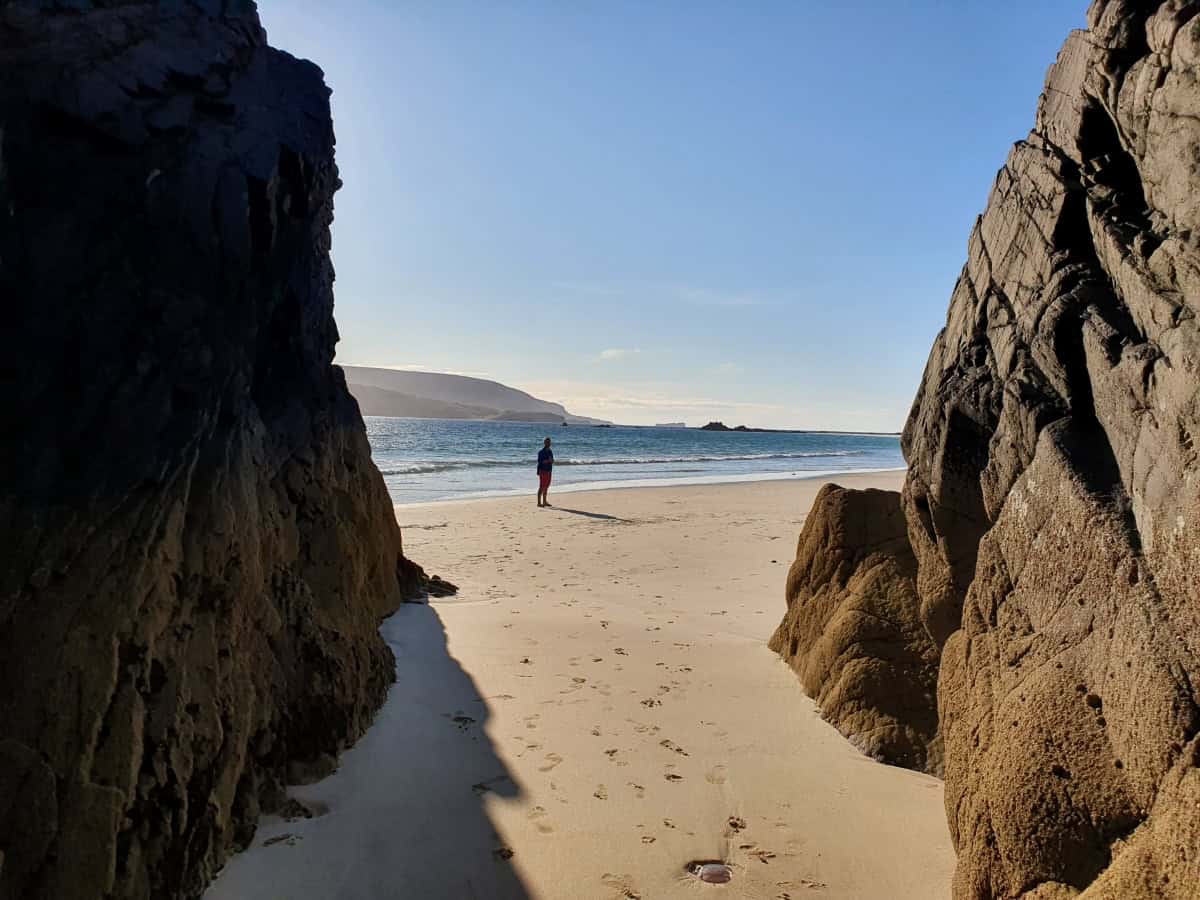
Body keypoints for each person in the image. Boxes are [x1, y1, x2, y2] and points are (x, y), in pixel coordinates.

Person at [536, 437, 554, 507]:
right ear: (544, 443)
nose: (548, 443)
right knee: (541, 486)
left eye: (549, 442)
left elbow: (552, 461)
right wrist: (548, 461)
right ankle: (539, 503)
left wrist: (551, 461)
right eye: (547, 442)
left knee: (546, 486)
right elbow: (540, 462)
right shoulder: (541, 452)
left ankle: (544, 502)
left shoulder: (550, 451)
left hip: (549, 471)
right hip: (542, 471)